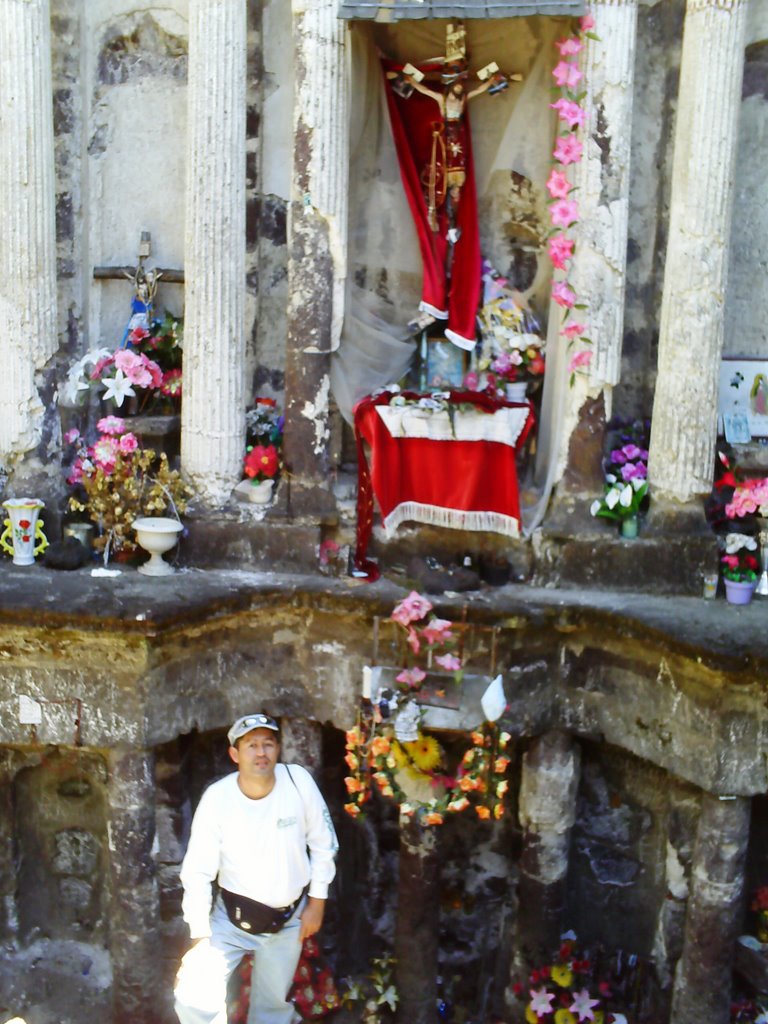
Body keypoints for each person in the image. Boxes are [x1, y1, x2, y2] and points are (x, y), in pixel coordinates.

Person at [174, 713, 338, 1024]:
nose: (261, 752)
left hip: (287, 921)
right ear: (235, 754)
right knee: (193, 999)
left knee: (271, 1011)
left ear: (278, 750)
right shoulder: (218, 798)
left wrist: (317, 902)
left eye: (268, 744)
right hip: (229, 922)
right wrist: (200, 933)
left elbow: (323, 843)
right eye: (251, 745)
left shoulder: (297, 782)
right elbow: (197, 871)